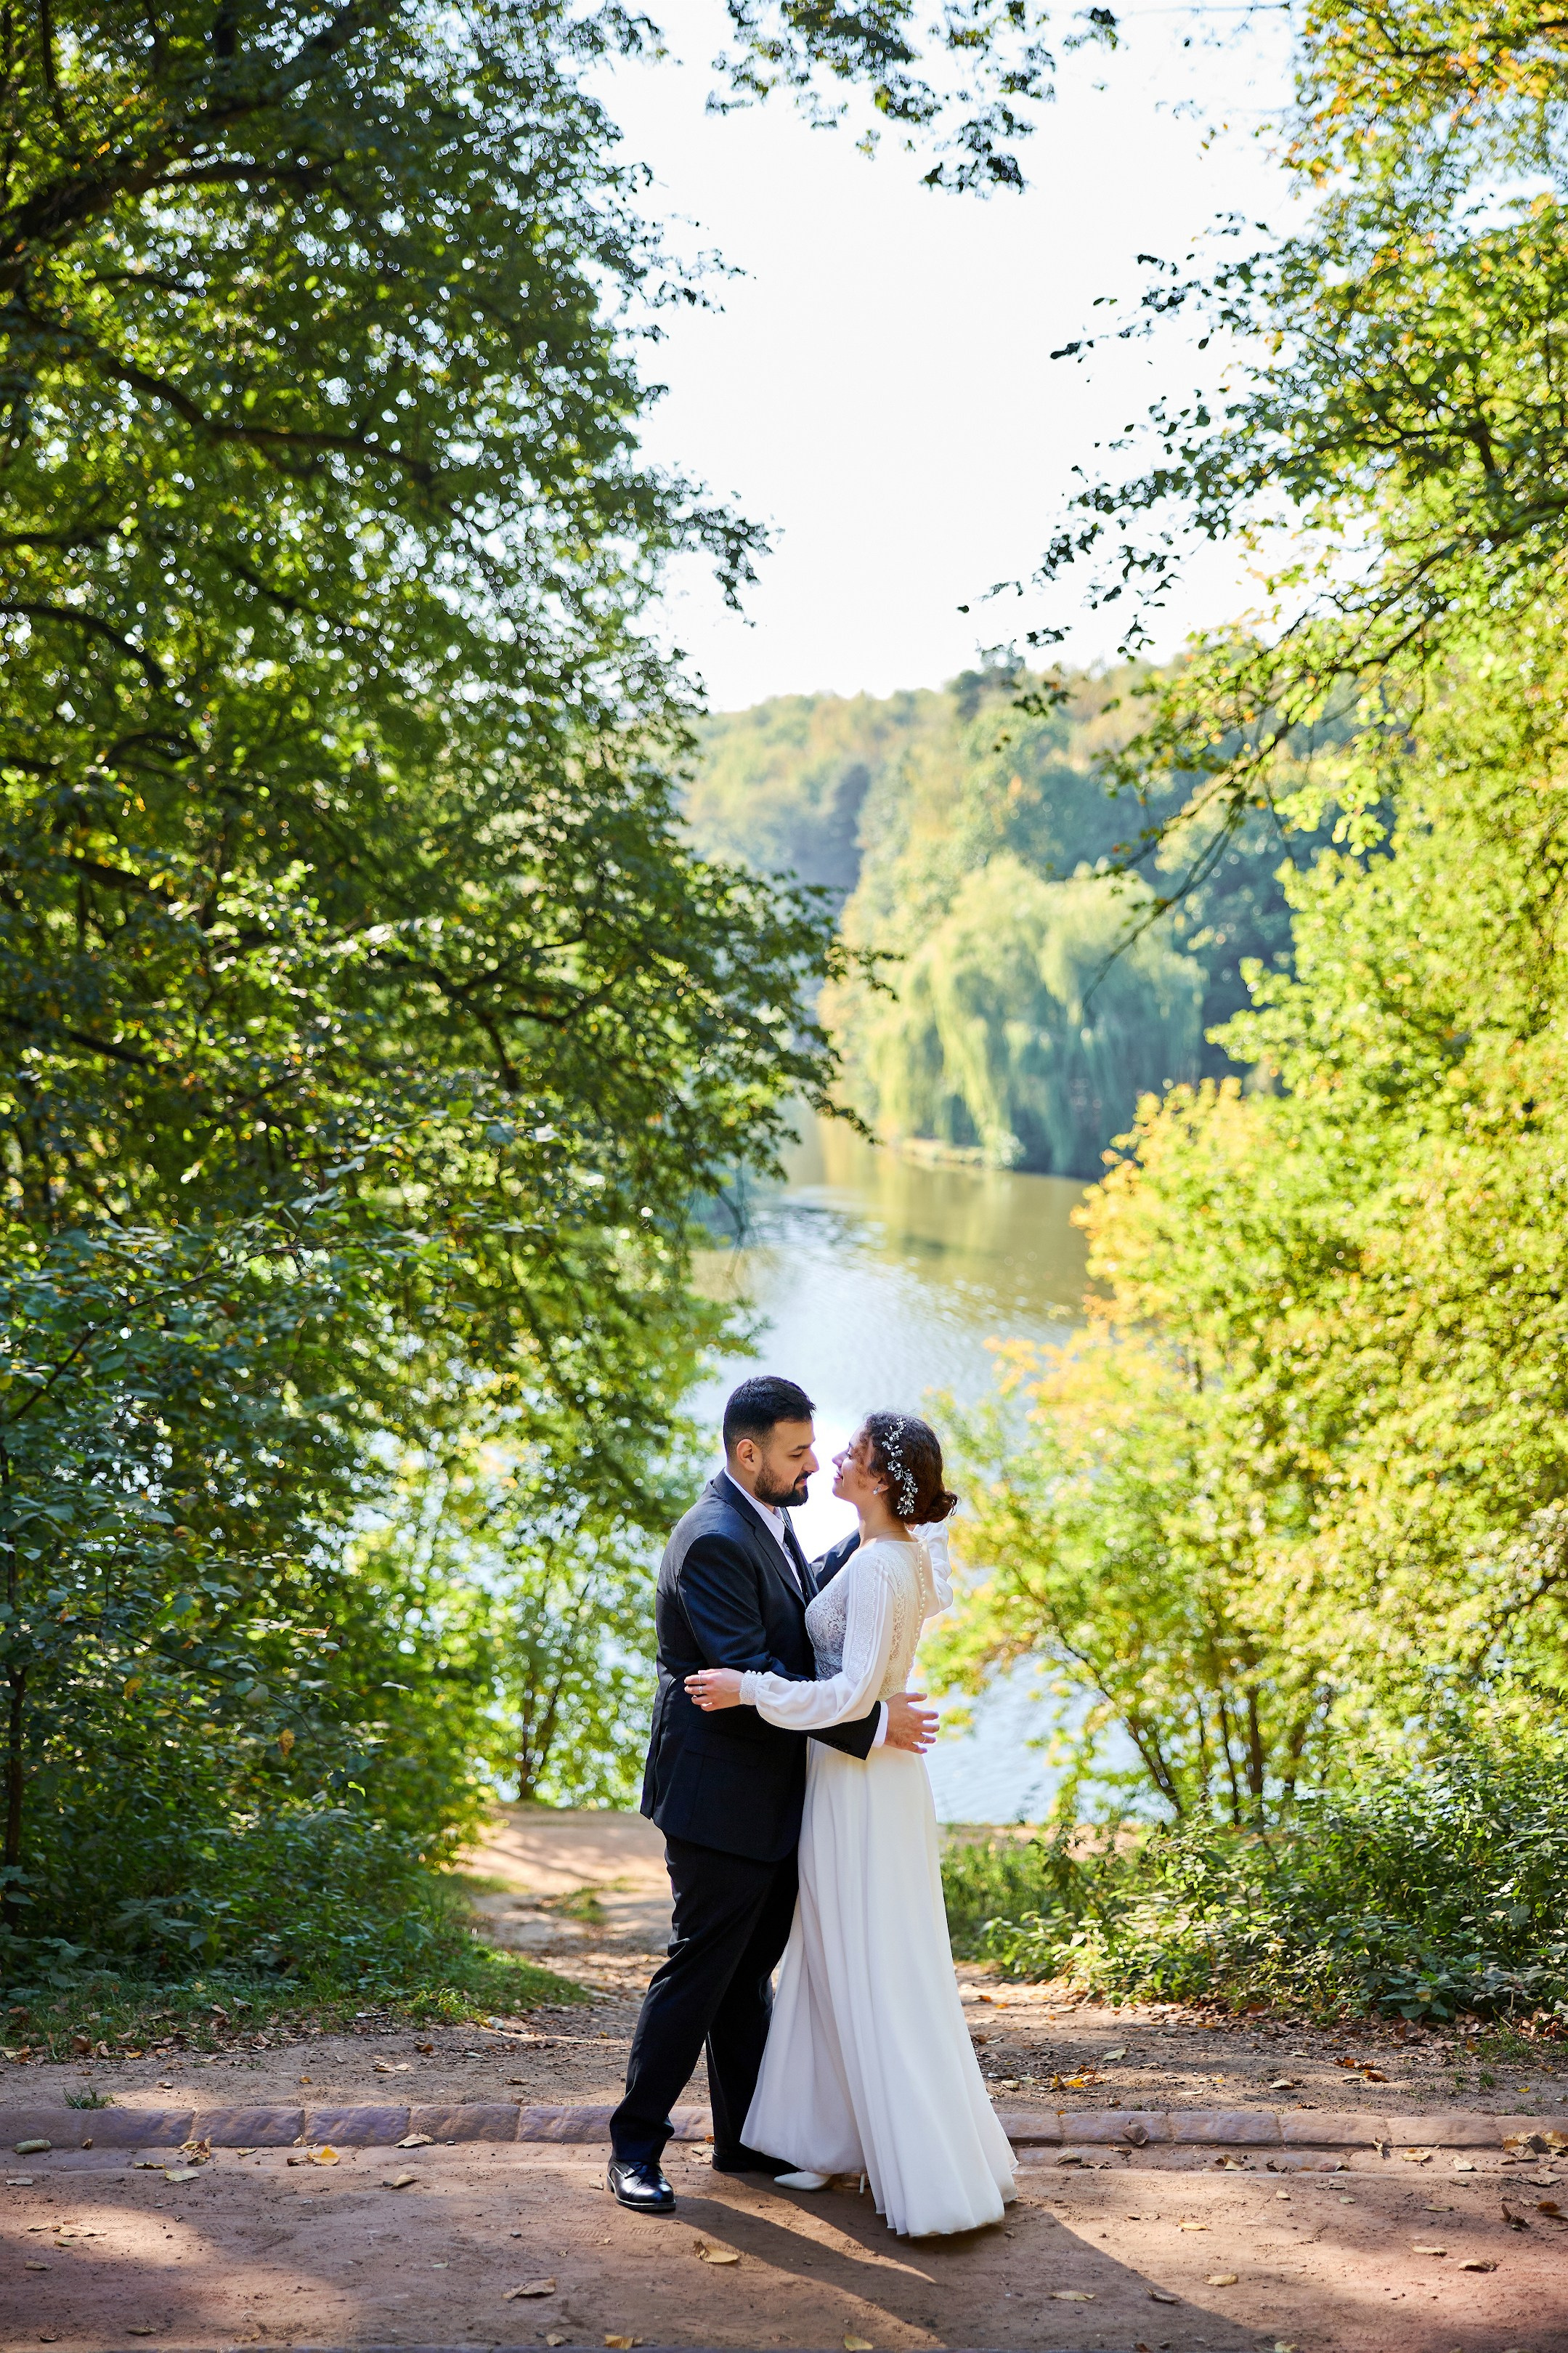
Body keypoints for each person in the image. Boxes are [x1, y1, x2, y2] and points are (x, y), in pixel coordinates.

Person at [606, 1376, 938, 2216]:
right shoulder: (713, 1538)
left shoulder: (770, 1514)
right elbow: (756, 1668)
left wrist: (881, 1536)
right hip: (717, 1798)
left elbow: (803, 1609)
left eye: (816, 1447)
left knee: (747, 1973)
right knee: (698, 1971)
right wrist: (872, 1721)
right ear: (747, 1451)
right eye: (796, 1451)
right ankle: (634, 2146)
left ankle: (742, 2137)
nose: (812, 1464)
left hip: (778, 1791)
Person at [686, 1412, 1016, 2237]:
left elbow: (848, 1695)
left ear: (880, 1478)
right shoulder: (893, 1554)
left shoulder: (879, 1568)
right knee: (837, 1956)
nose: (832, 1456)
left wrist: (747, 1687)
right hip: (861, 1777)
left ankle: (916, 2161)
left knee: (869, 1961)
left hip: (859, 1782)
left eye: (852, 1452)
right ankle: (832, 2137)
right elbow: (880, 1657)